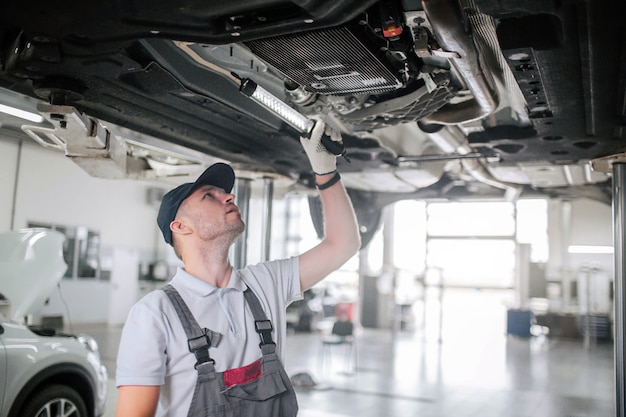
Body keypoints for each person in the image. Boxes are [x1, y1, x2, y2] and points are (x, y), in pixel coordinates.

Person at [114, 119, 361, 417]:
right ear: (180, 226)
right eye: (210, 195)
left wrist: (326, 172)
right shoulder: (154, 313)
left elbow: (343, 244)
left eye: (225, 192)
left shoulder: (265, 283)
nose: (229, 196)